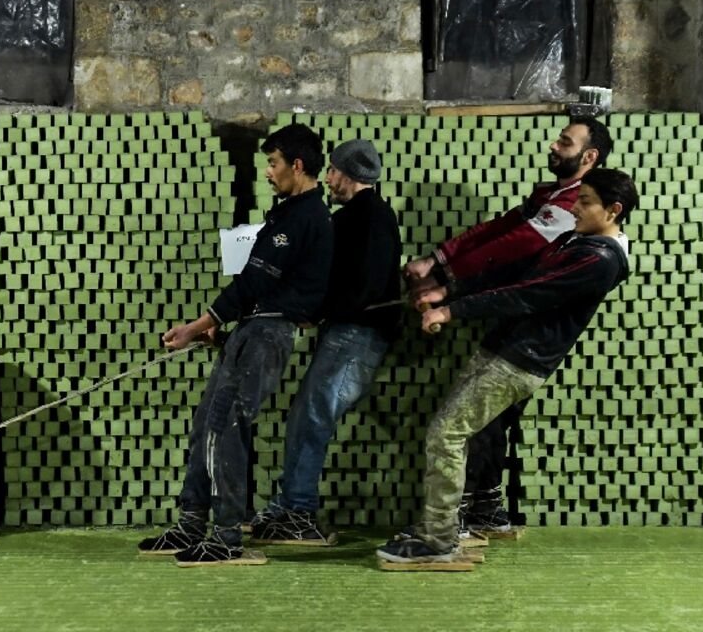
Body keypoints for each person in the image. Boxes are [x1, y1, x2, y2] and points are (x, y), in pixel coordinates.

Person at [378, 167, 637, 566]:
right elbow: (517, 272)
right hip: (503, 349)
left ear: (614, 210)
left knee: (445, 435)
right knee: (454, 433)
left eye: (586, 202)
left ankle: (437, 540)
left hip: (519, 363)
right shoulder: (577, 240)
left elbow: (527, 295)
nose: (575, 209)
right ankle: (440, 527)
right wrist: (448, 288)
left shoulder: (599, 261)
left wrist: (451, 309)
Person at [401, 116, 612, 533]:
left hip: (526, 336)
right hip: (509, 323)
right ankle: (484, 508)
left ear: (589, 157)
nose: (553, 145)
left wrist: (448, 291)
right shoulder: (552, 193)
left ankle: (447, 526)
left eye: (564, 142)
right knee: (487, 420)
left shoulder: (581, 222)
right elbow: (499, 229)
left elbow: (517, 253)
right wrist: (440, 261)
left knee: (457, 427)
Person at [138, 123, 333, 566]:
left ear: (296, 166)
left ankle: (226, 536)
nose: (268, 173)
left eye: (274, 163)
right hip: (252, 330)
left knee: (227, 426)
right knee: (207, 421)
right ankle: (192, 521)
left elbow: (256, 281)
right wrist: (224, 328)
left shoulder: (306, 217)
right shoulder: (288, 213)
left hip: (268, 335)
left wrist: (197, 324)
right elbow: (261, 288)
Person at [247, 139, 402, 546]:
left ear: (348, 175)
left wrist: (316, 308)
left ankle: (298, 511)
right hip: (347, 332)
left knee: (313, 415)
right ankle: (290, 506)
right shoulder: (358, 216)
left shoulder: (369, 218)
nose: (328, 179)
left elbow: (363, 287)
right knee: (306, 414)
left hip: (357, 334)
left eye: (333, 171)